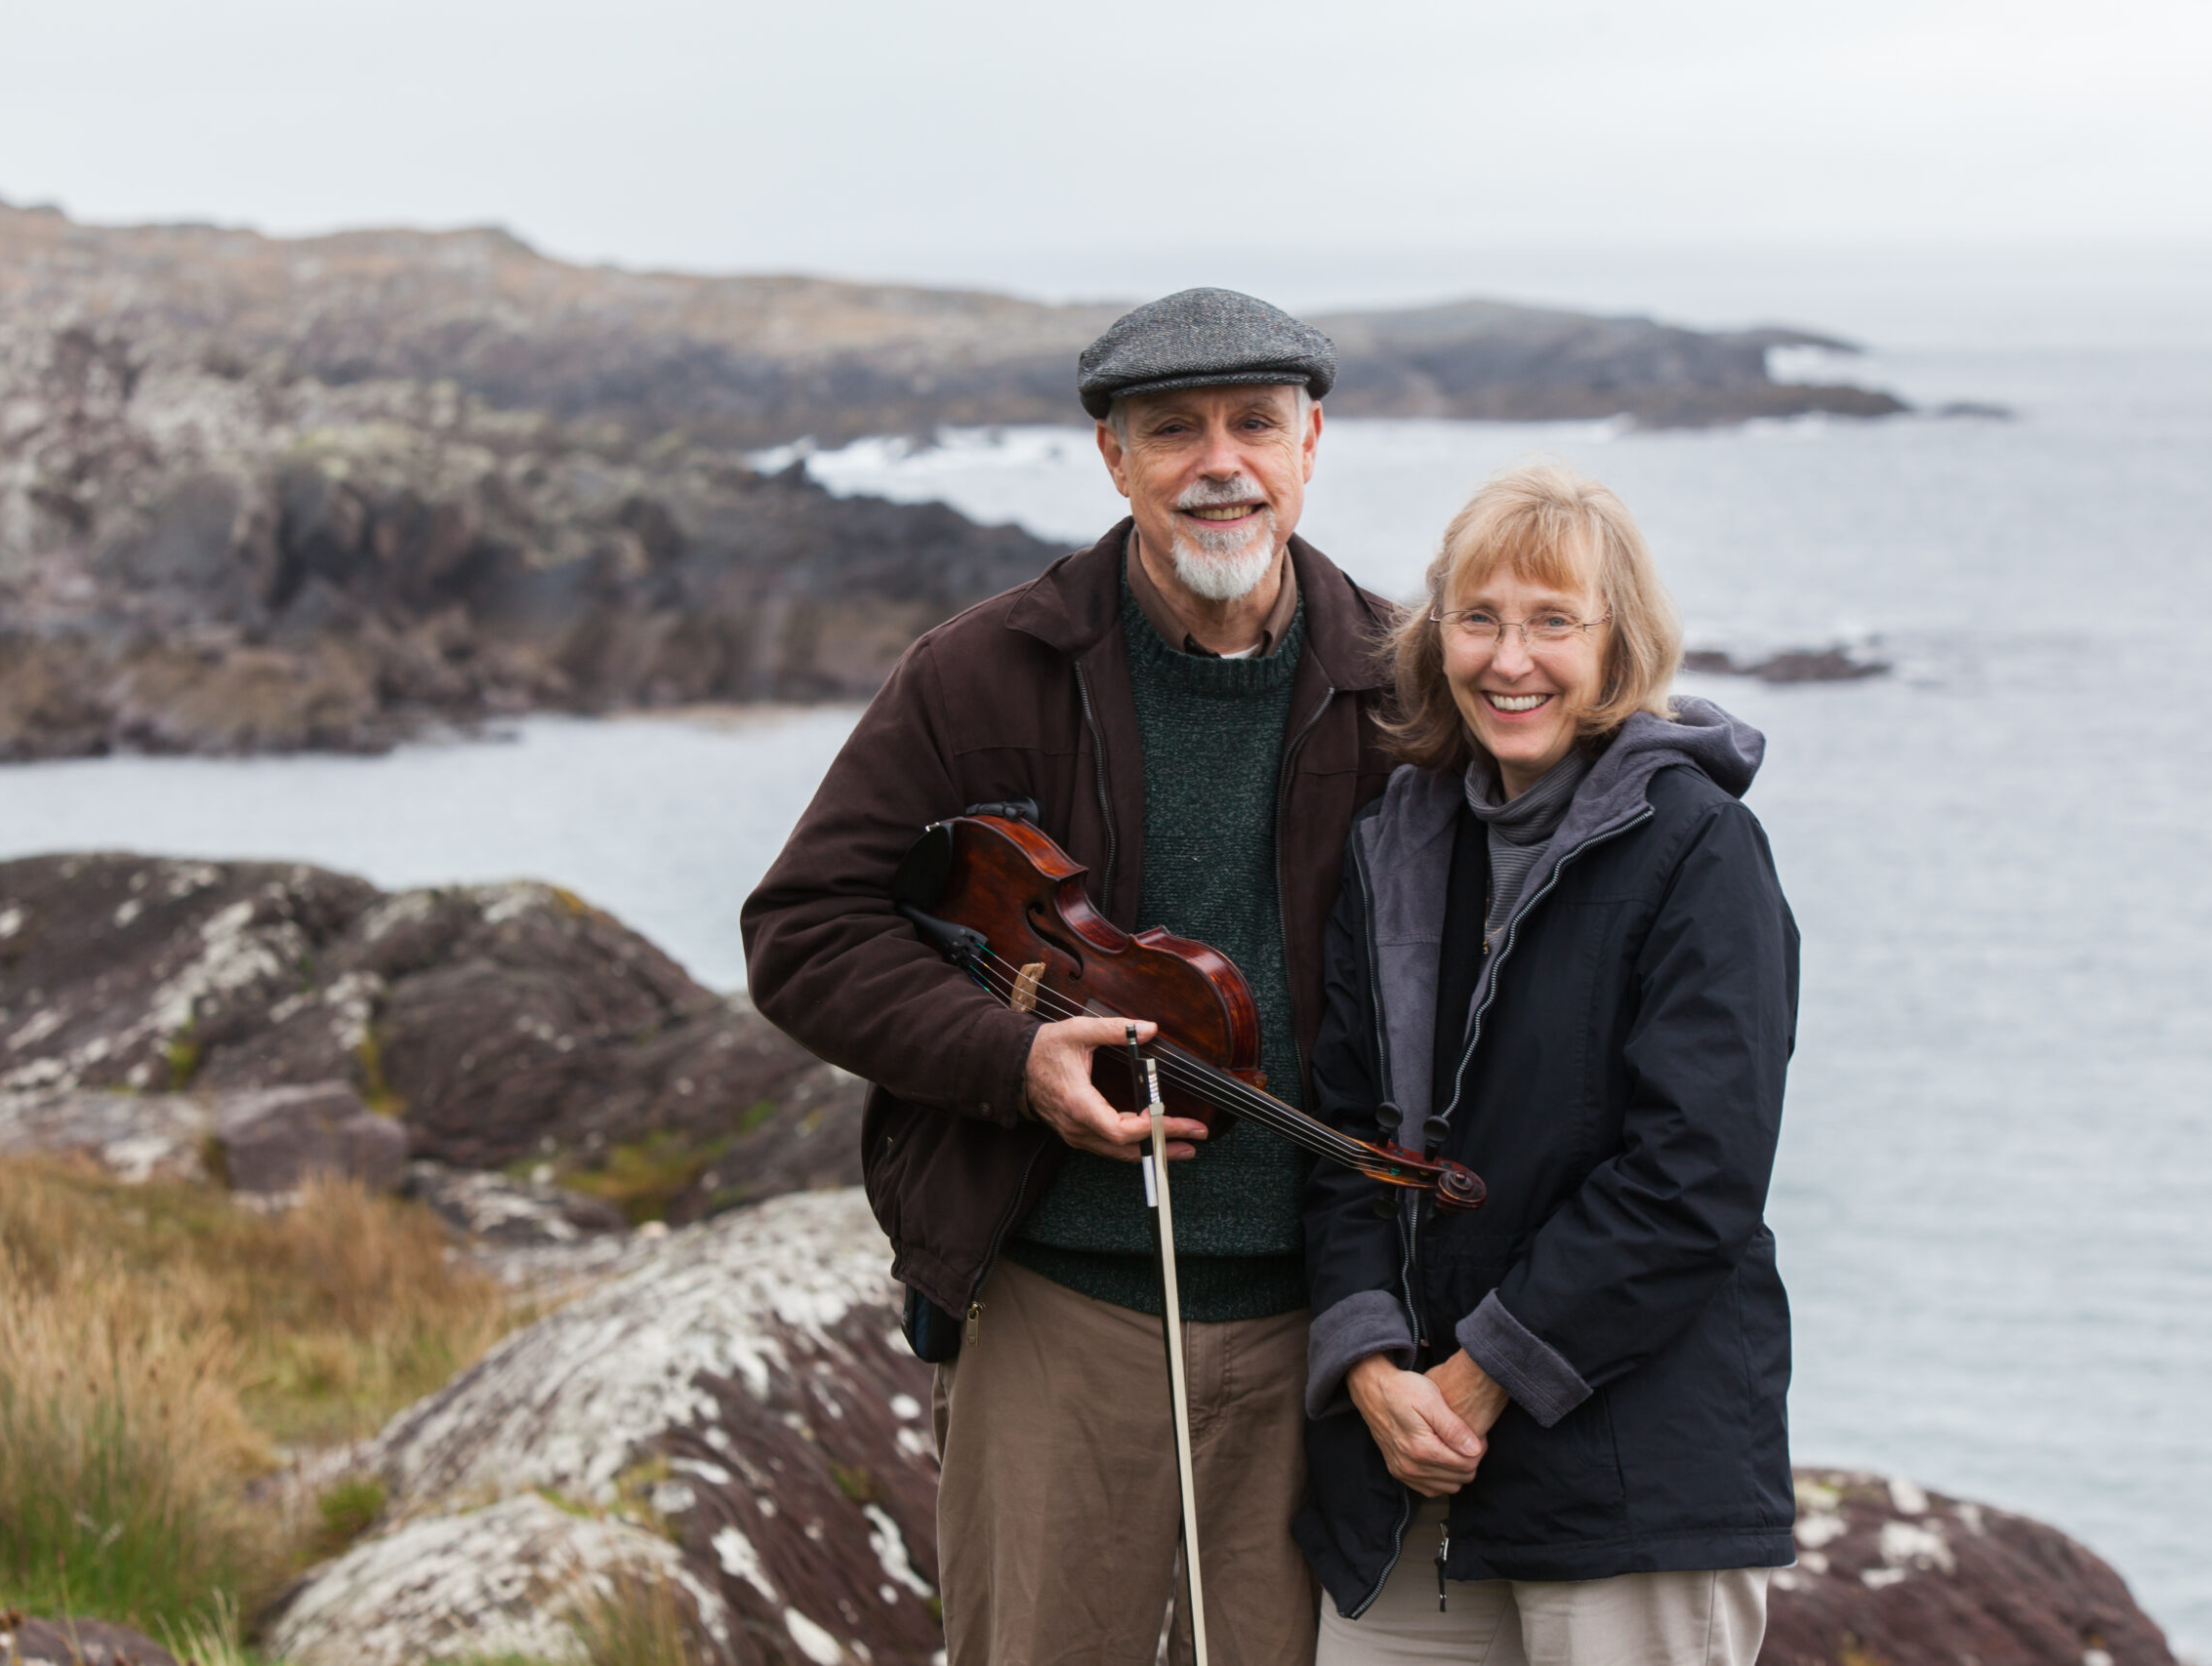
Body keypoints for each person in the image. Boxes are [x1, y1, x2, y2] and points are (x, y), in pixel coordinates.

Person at [743, 288, 1401, 1666]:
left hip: (1323, 1334)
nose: (1218, 462)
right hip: (1060, 1305)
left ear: (1310, 441)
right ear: (1114, 458)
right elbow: (805, 927)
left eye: (1253, 425)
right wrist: (1010, 1060)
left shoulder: (1403, 687)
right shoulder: (978, 672)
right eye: (1173, 430)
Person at [1294, 464, 1798, 1665]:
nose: (1506, 659)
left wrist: (1480, 1378)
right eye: (1478, 619)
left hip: (1630, 1479)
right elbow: (1342, 1137)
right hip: (1406, 1483)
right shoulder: (1397, 843)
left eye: (1550, 622)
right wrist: (1367, 1363)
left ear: (1617, 644)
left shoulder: (1698, 848)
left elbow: (1694, 1174)